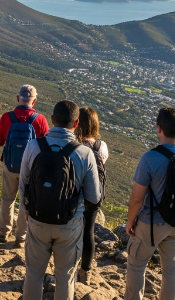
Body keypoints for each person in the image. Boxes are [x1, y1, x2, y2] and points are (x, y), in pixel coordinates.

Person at [20, 100, 101, 300]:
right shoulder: (84, 153)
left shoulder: (33, 146)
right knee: (66, 277)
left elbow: (23, 186)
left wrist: (27, 212)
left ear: (52, 120)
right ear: (76, 124)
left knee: (34, 274)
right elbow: (94, 196)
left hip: (37, 220)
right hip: (69, 224)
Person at [124, 107, 175, 300]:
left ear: (158, 129)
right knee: (172, 269)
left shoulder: (150, 158)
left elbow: (137, 198)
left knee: (136, 264)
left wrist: (130, 221)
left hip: (152, 223)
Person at [0, 84, 49, 246]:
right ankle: (21, 237)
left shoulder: (6, 117)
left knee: (7, 199)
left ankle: (3, 232)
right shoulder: (40, 120)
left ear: (18, 99)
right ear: (34, 101)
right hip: (31, 168)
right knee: (26, 200)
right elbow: (46, 147)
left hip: (10, 165)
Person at [74, 106, 109, 284]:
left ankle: (69, 266)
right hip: (94, 195)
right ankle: (85, 271)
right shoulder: (101, 146)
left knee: (72, 231)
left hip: (75, 194)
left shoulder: (74, 144)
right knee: (89, 232)